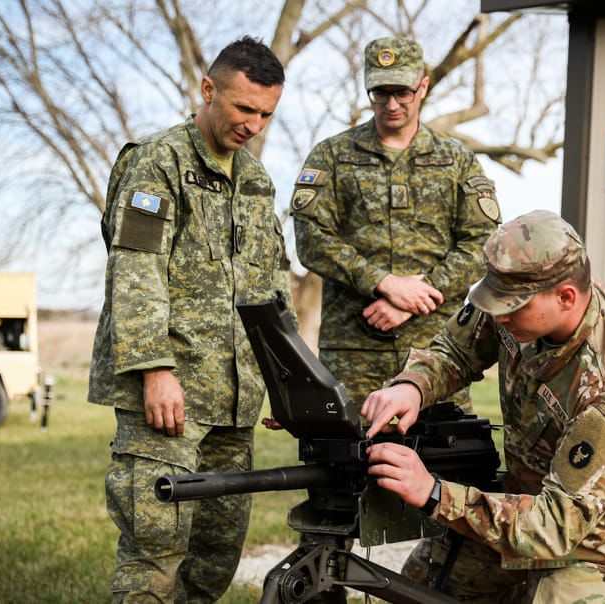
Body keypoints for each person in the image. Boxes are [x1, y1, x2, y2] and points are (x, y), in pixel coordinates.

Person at [361, 210, 605, 603]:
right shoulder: (517, 299)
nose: (499, 315)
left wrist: (434, 493)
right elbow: (457, 349)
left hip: (595, 540)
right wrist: (413, 386)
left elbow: (557, 526)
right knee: (418, 592)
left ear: (566, 297)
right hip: (520, 502)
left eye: (512, 306)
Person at [87, 37, 293, 603]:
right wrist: (155, 369)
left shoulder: (255, 181)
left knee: (212, 562)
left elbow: (271, 285)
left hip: (234, 405)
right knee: (154, 556)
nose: (253, 124)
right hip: (168, 401)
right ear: (208, 89)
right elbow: (135, 270)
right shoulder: (157, 161)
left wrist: (286, 381)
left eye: (266, 114)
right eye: (244, 108)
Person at [291, 36, 500, 409]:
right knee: (347, 458)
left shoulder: (456, 160)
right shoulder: (333, 155)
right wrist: (382, 282)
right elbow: (311, 239)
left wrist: (415, 298)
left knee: (440, 459)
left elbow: (483, 243)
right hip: (353, 351)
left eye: (402, 91)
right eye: (380, 92)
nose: (391, 104)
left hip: (435, 351)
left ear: (423, 84)